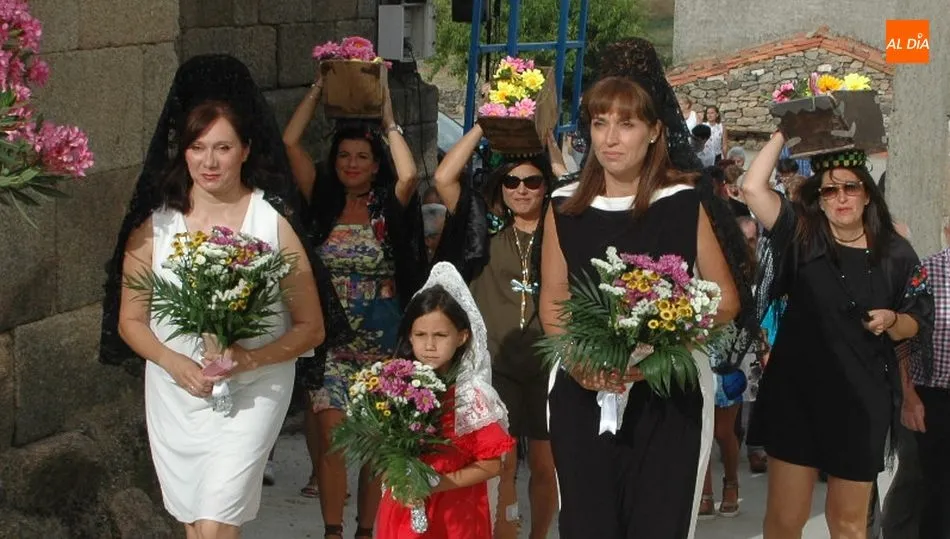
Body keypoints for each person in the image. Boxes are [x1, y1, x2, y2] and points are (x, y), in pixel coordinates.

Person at [100, 55, 339, 539]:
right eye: (198, 148)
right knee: (194, 522)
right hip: (175, 390)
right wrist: (174, 364)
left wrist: (249, 360)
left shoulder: (272, 223)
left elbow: (311, 327)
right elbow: (131, 320)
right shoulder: (153, 228)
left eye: (223, 148)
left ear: (245, 150)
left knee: (215, 521)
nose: (209, 162)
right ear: (183, 152)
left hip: (256, 388)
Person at [540, 73, 754, 538]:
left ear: (654, 131)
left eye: (627, 124)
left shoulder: (682, 202)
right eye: (600, 123)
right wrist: (579, 364)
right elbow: (554, 298)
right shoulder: (563, 205)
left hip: (669, 399)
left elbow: (725, 299)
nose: (610, 138)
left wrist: (663, 344)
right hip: (584, 393)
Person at [741, 133, 934, 539]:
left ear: (867, 195)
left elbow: (916, 320)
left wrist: (892, 320)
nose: (841, 197)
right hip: (797, 396)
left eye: (851, 187)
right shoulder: (803, 236)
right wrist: (788, 129)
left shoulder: (896, 252)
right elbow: (752, 188)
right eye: (830, 191)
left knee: (849, 525)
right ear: (819, 198)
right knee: (785, 520)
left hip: (860, 402)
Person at [283, 72, 426, 538]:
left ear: (375, 164)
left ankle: (366, 529)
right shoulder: (322, 203)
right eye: (344, 155)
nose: (351, 163)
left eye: (362, 156)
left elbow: (410, 174)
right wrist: (319, 87)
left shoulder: (388, 207)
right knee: (332, 440)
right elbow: (289, 143)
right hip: (331, 341)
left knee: (375, 445)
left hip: (383, 343)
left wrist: (388, 119)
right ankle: (332, 530)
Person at [432, 124, 559, 539]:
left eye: (532, 181)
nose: (521, 190)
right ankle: (504, 533)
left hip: (547, 364)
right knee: (501, 464)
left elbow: (573, 187)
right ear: (500, 187)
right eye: (512, 182)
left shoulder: (562, 231)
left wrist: (548, 136)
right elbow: (443, 178)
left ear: (546, 186)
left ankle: (539, 535)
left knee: (545, 465)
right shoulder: (483, 230)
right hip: (495, 365)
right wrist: (486, 124)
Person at [376, 262, 515, 538]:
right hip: (403, 509)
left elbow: (491, 464)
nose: (429, 345)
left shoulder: (470, 397)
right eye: (420, 335)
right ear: (409, 336)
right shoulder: (397, 387)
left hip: (454, 514)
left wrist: (434, 483)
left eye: (440, 335)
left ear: (462, 336)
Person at [902, 221, 950, 538]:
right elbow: (902, 339)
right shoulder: (926, 272)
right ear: (948, 231)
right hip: (934, 397)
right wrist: (908, 396)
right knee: (939, 489)